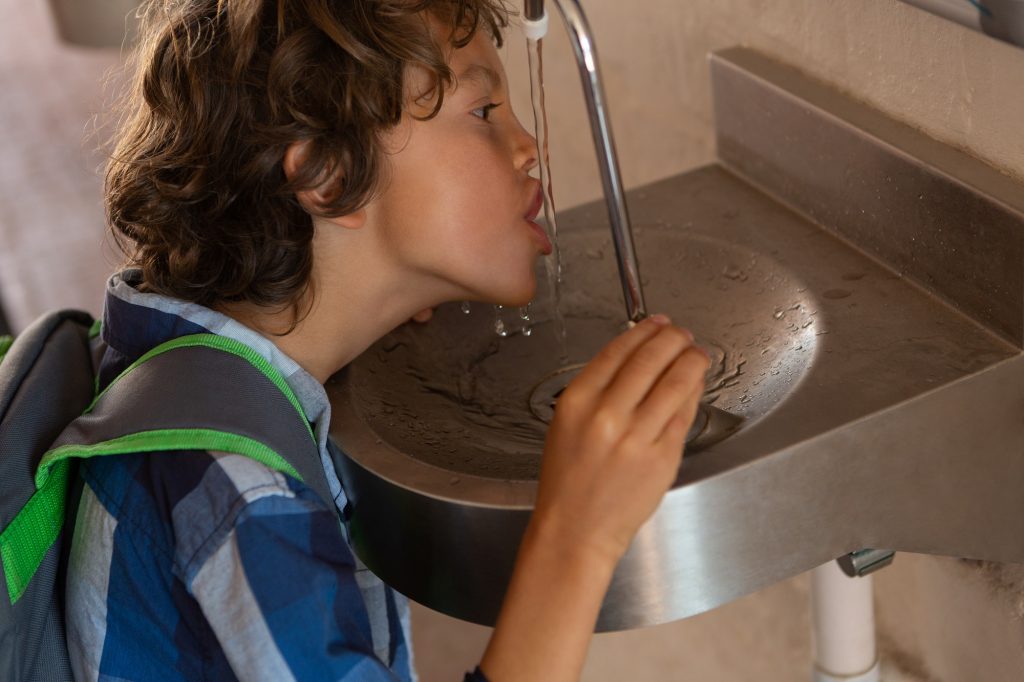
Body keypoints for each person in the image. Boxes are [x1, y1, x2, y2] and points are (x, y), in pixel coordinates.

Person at [67, 1, 710, 680]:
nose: (531, 149)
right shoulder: (242, 501)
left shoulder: (177, 374)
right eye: (485, 113)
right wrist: (578, 537)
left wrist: (387, 290)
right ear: (329, 178)